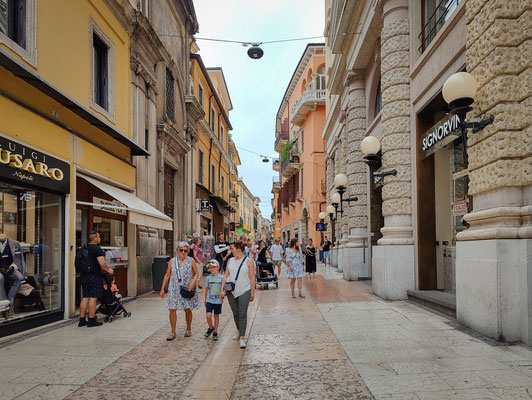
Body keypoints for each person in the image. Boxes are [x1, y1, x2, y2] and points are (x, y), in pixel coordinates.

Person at [160, 242, 199, 340]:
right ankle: (173, 332)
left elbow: (196, 274)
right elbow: (167, 275)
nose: (183, 252)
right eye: (181, 250)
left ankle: (188, 329)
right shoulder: (172, 261)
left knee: (187, 309)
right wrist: (162, 289)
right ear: (177, 250)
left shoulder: (191, 261)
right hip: (173, 288)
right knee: (172, 309)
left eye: (185, 250)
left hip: (186, 288)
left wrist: (192, 283)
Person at [221, 240, 255, 349]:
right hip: (231, 291)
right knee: (235, 312)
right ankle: (239, 330)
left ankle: (242, 338)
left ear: (239, 249)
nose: (231, 250)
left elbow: (252, 277)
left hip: (245, 290)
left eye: (232, 248)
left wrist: (253, 292)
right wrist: (222, 290)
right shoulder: (230, 260)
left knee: (242, 313)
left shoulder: (249, 261)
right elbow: (226, 276)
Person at [79, 231, 114, 327]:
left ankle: (82, 320)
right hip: (94, 276)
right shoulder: (97, 249)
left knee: (85, 297)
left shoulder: (83, 248)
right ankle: (91, 320)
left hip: (84, 276)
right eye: (98, 236)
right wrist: (109, 270)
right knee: (93, 298)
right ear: (94, 238)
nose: (100, 238)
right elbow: (102, 264)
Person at [204, 260, 223, 340]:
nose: (212, 269)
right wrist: (205, 300)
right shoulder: (208, 278)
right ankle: (211, 327)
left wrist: (223, 294)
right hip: (209, 300)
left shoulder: (222, 278)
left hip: (218, 300)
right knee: (208, 315)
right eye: (210, 267)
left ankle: (215, 331)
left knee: (216, 316)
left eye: (214, 267)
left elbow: (224, 288)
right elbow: (207, 289)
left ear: (218, 267)